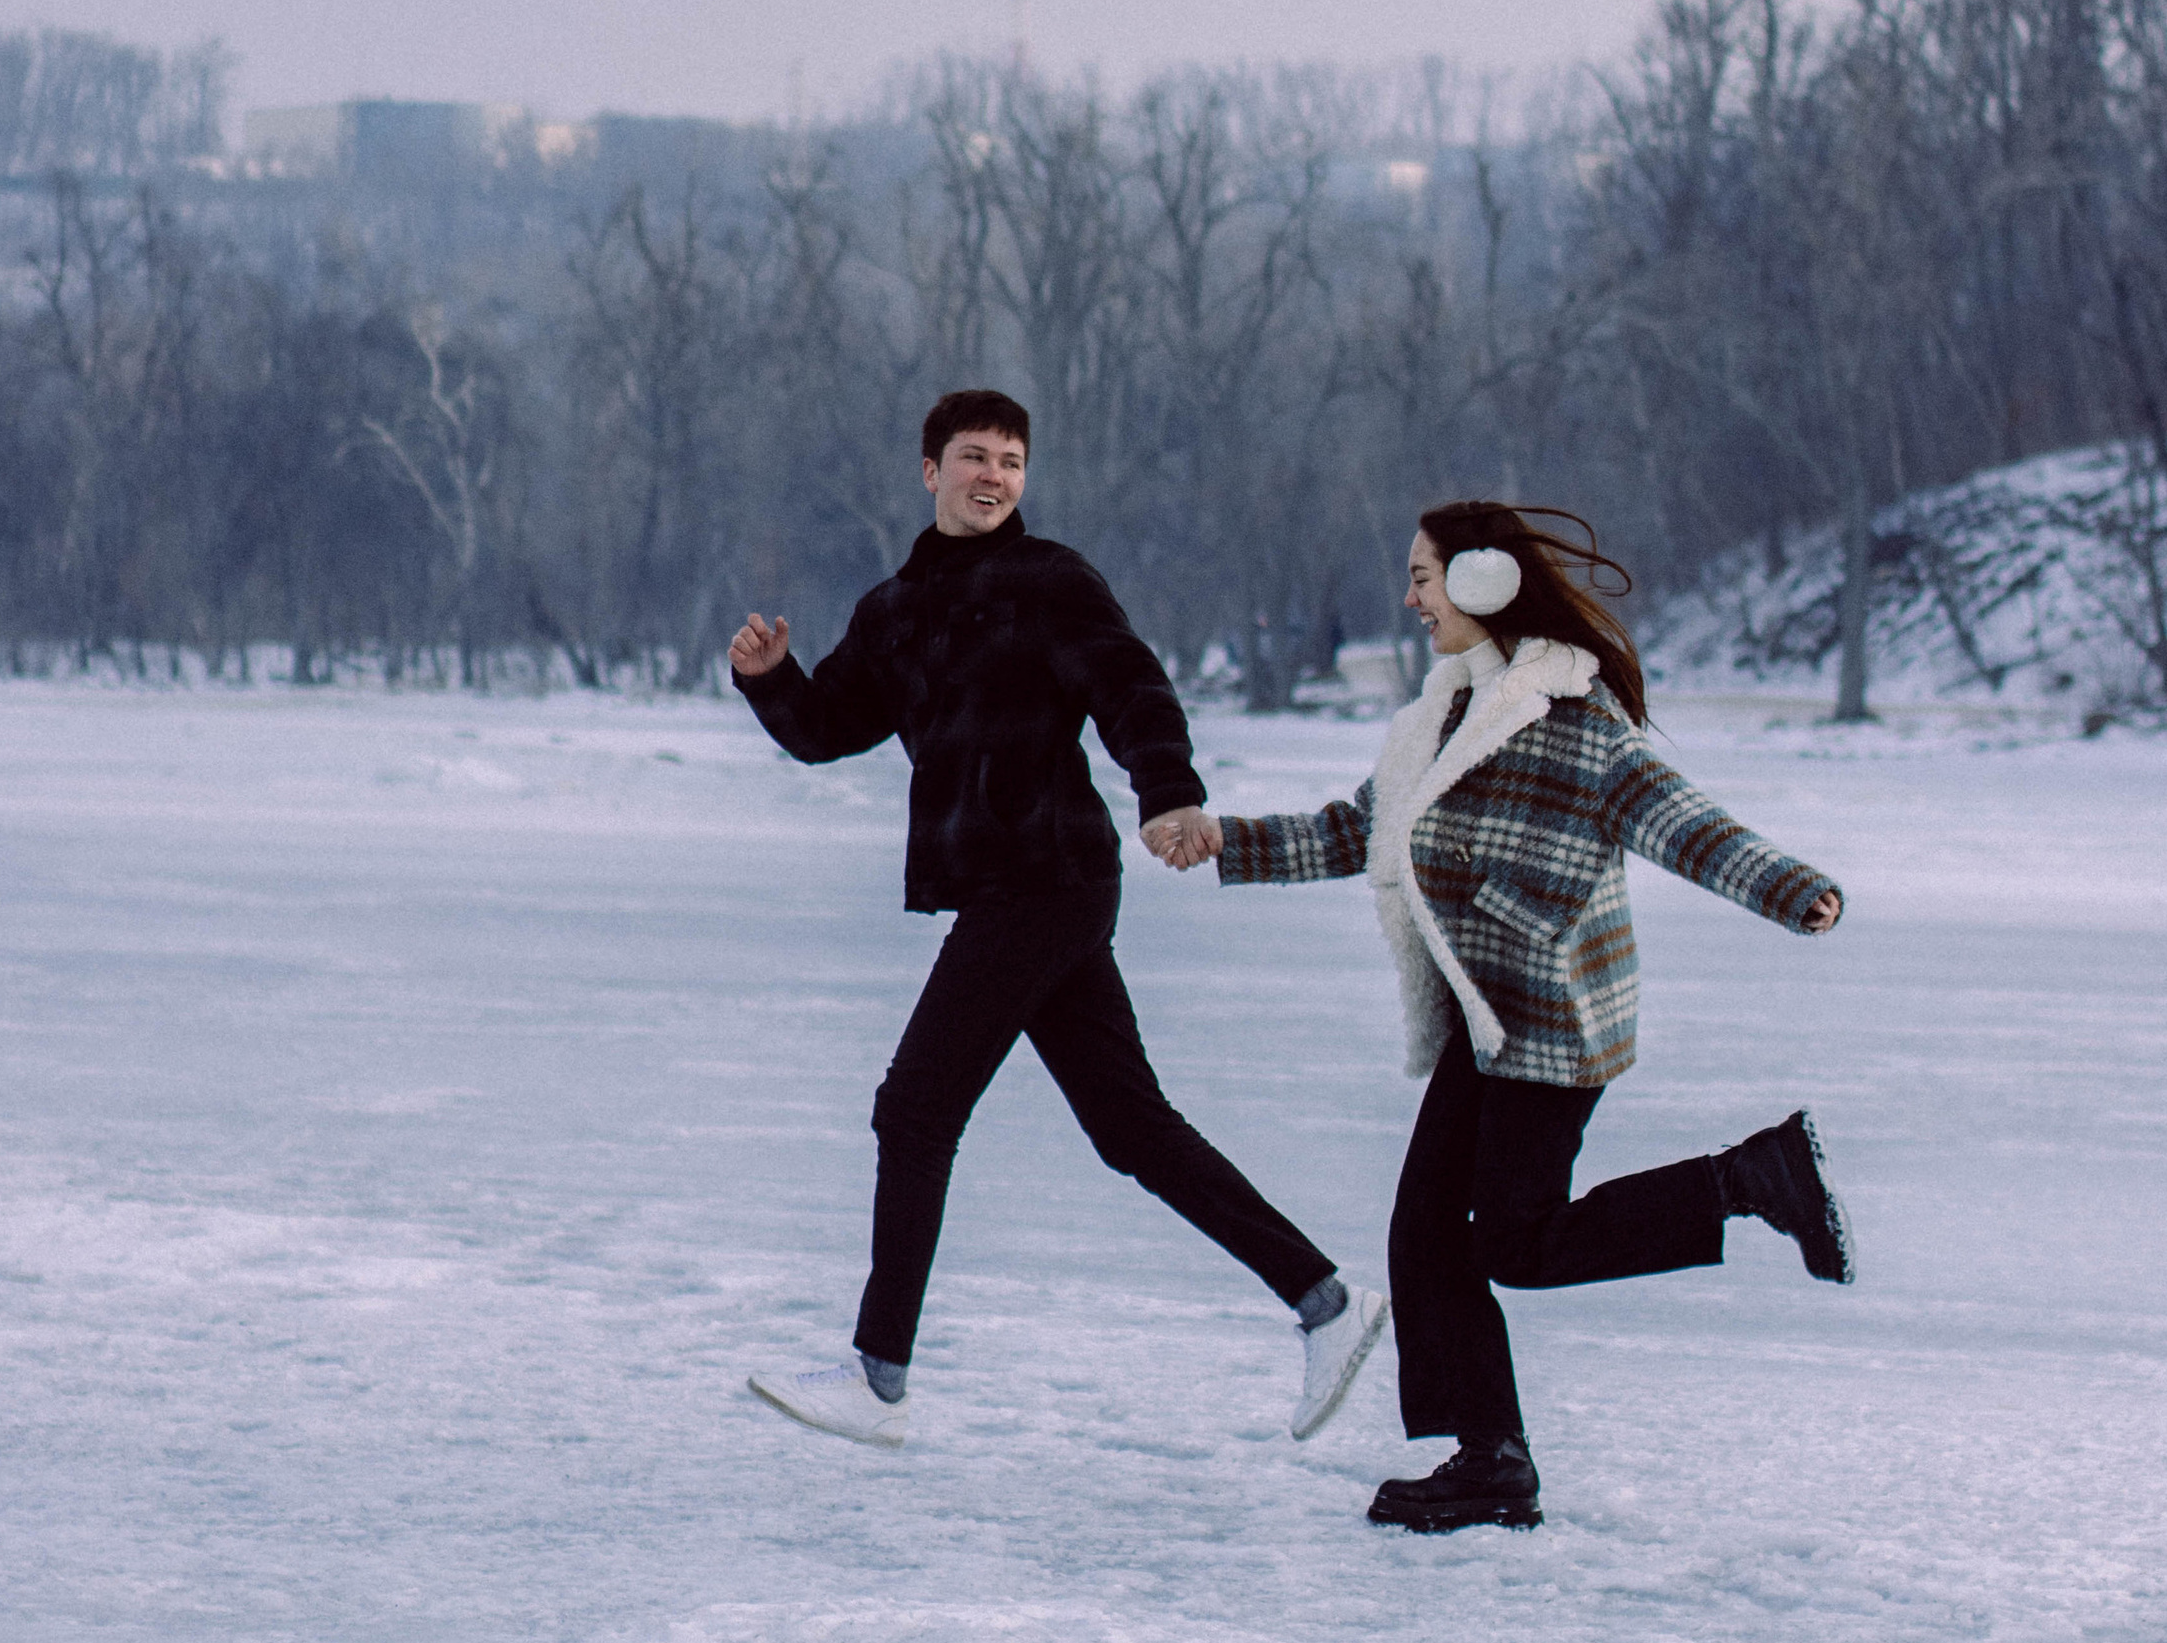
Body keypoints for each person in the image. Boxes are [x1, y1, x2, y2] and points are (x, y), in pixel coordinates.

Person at [1156, 499, 1849, 1534]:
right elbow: (1362, 830)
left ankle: (1748, 1178)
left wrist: (1793, 891)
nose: (1410, 598)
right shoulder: (1435, 720)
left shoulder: (1573, 723)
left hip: (1557, 1028)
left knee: (1514, 1245)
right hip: (1487, 1024)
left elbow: (1682, 821)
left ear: (1483, 583)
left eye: (1424, 576)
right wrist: (1226, 840)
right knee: (1426, 1236)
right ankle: (1490, 1460)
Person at [728, 389, 1387, 1446]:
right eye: (975, 457)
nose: (994, 476)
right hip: (1006, 889)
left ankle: (877, 1379)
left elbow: (1133, 689)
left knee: (914, 1110)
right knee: (1130, 1128)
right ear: (929, 469)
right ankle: (1328, 1302)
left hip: (1048, 880)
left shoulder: (1049, 580)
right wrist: (768, 682)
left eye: (1012, 462)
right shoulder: (892, 609)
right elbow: (828, 727)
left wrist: (1166, 788)